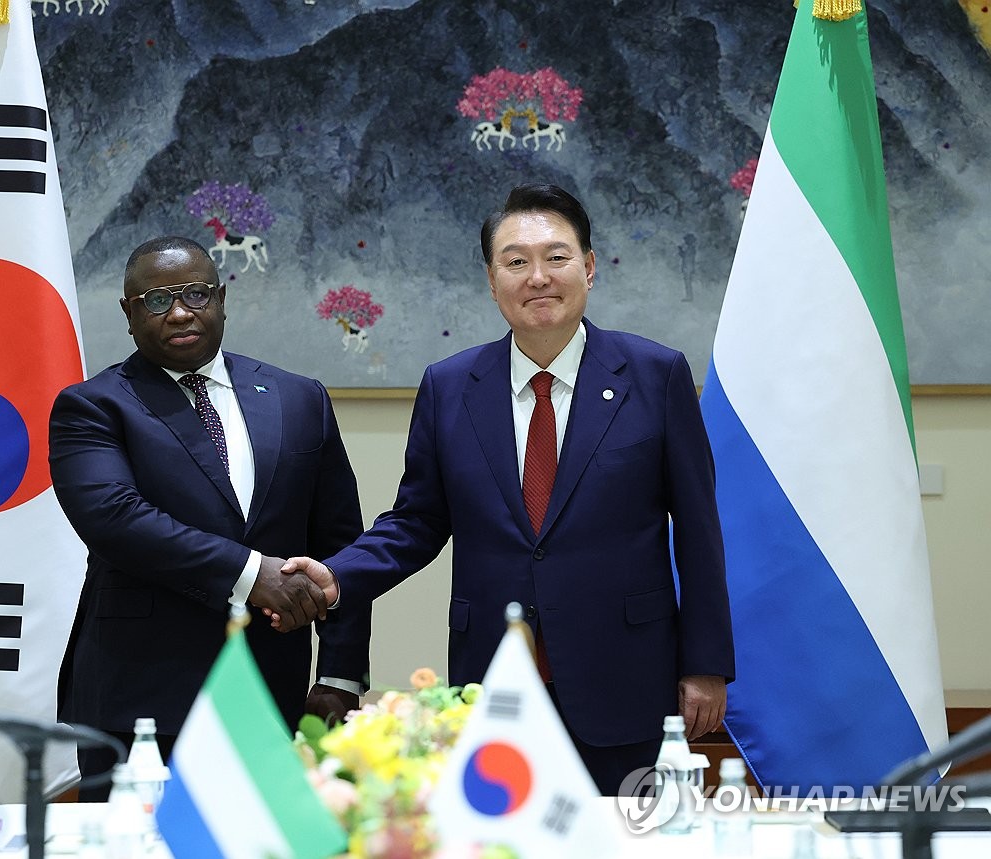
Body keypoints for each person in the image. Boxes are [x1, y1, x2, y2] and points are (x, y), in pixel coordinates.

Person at [280, 184, 734, 795]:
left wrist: (705, 665)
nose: (538, 277)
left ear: (589, 268)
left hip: (624, 673)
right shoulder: (449, 386)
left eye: (557, 257)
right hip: (491, 676)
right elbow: (416, 520)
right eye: (516, 262)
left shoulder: (657, 375)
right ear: (492, 280)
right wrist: (338, 576)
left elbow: (699, 531)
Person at [50, 236, 368, 799]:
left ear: (221, 298)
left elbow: (339, 547)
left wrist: (339, 675)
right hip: (140, 705)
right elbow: (115, 518)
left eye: (195, 294)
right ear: (129, 314)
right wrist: (251, 574)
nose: (178, 312)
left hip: (274, 695)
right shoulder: (93, 405)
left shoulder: (299, 399)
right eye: (155, 300)